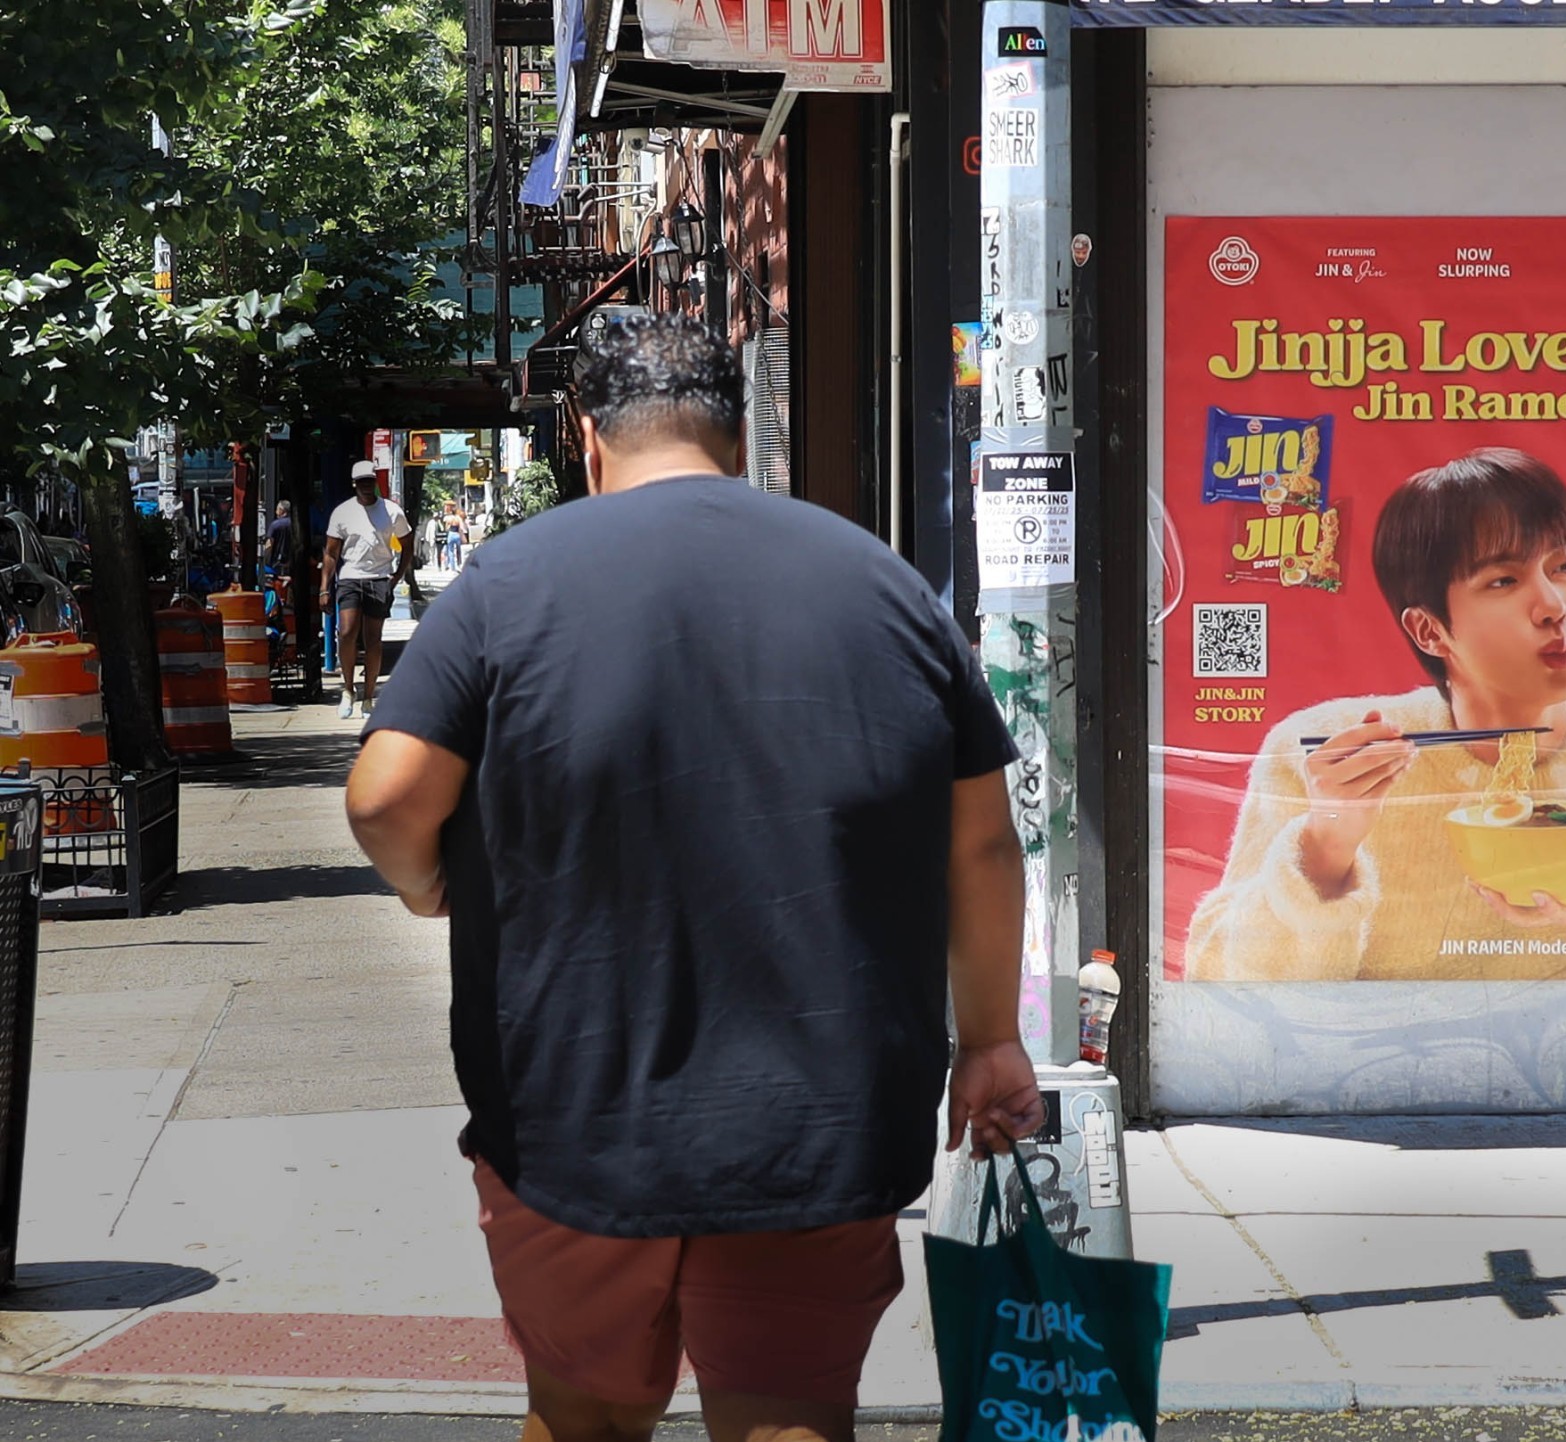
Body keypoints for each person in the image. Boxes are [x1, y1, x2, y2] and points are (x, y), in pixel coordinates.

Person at [342, 314, 1044, 1442]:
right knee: (788, 1412)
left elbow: (383, 796)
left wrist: (436, 885)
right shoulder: (883, 586)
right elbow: (981, 841)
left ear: (586, 436)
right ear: (734, 433)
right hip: (824, 1109)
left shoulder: (508, 585)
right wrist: (992, 1038)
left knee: (584, 1411)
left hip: (573, 1108)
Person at [1186, 448, 1566, 983]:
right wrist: (1325, 847)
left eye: (1563, 566)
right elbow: (1217, 983)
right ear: (1429, 630)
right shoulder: (1320, 752)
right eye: (1503, 581)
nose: (1554, 605)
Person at [321, 461, 413, 720]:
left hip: (379, 578)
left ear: (374, 482)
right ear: (354, 483)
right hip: (350, 577)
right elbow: (330, 553)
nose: (365, 485)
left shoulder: (392, 512)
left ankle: (369, 696)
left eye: (369, 480)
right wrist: (323, 588)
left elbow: (407, 544)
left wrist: (396, 577)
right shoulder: (343, 512)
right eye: (360, 481)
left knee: (374, 639)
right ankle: (348, 689)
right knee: (347, 632)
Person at [264, 501, 295, 579]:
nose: (276, 512)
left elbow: (269, 545)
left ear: (281, 510)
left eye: (277, 509)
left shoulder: (275, 525)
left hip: (276, 565)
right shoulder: (295, 525)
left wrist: (265, 560)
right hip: (291, 564)